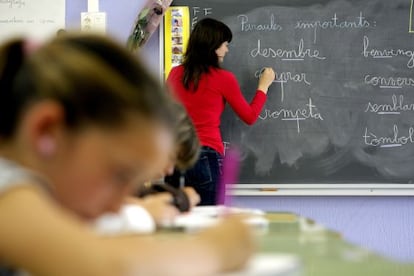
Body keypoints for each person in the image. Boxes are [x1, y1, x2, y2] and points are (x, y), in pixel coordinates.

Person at [0, 33, 255, 276]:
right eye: (120, 175)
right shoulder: (7, 188)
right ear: (47, 131)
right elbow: (109, 268)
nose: (120, 205)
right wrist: (215, 249)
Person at [166, 17, 276, 205]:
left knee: (177, 221)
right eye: (225, 44)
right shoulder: (223, 78)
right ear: (213, 45)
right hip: (205, 156)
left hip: (176, 156)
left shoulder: (175, 74)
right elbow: (249, 116)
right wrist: (263, 87)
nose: (227, 49)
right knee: (210, 221)